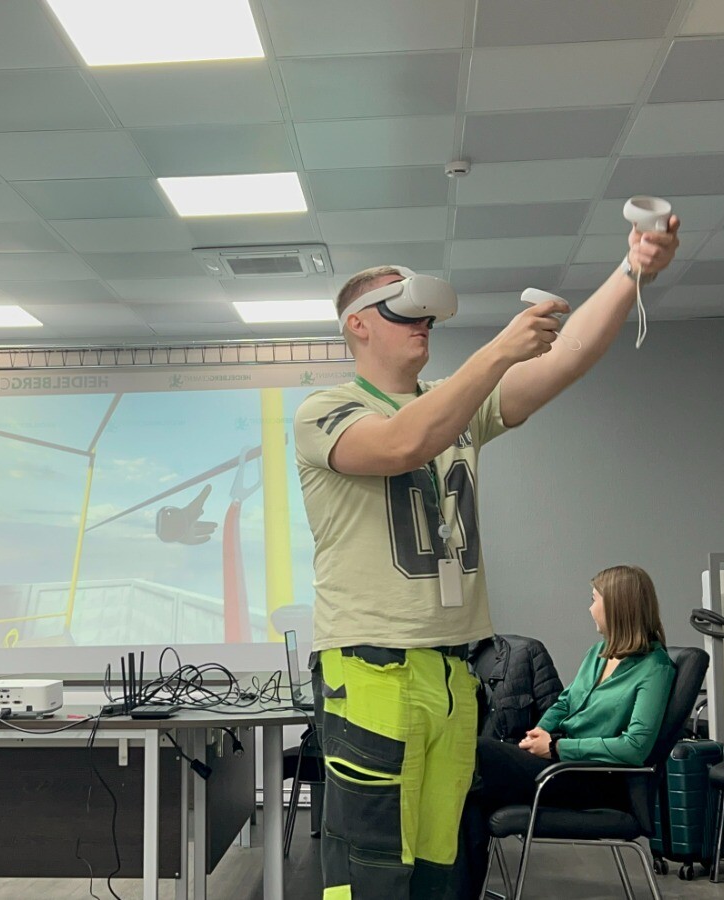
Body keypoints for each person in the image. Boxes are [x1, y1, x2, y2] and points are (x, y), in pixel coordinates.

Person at [293, 221, 680, 899]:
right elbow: (401, 444)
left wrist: (631, 272)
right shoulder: (326, 410)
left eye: (426, 314)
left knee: (443, 868)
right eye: (402, 311)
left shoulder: (459, 407)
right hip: (371, 668)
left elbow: (567, 359)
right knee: (372, 870)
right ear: (358, 325)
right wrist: (499, 351)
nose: (423, 323)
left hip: (452, 671)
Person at [473, 565, 676, 820]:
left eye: (594, 600)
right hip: (562, 766)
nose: (590, 609)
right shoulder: (598, 653)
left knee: (477, 752)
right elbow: (565, 703)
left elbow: (635, 747)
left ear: (617, 608)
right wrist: (540, 732)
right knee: (470, 776)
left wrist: (557, 747)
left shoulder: (655, 669)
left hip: (592, 778)